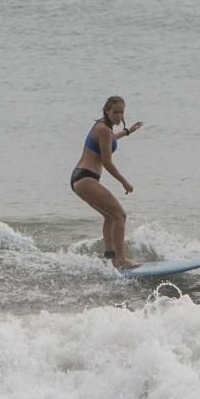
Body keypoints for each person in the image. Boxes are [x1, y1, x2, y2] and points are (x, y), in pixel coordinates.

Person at [70, 96, 143, 270]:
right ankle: (121, 260)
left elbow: (109, 140)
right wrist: (124, 182)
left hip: (81, 178)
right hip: (86, 178)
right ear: (107, 111)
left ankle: (111, 258)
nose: (119, 116)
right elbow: (106, 161)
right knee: (120, 216)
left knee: (110, 216)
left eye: (121, 112)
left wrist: (127, 132)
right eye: (115, 112)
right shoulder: (103, 129)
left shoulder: (103, 128)